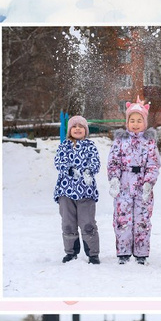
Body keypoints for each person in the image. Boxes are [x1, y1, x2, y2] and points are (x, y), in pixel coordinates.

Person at [107, 98, 161, 265]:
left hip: (142, 187)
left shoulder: (149, 143)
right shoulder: (120, 141)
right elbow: (113, 162)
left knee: (142, 219)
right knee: (123, 218)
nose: (136, 124)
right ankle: (123, 252)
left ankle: (141, 252)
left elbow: (154, 164)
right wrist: (114, 179)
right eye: (132, 120)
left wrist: (148, 182)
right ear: (127, 122)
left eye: (139, 120)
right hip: (124, 184)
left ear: (144, 123)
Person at [53, 112, 101, 264]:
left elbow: (96, 162)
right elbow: (58, 162)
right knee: (68, 223)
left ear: (86, 130)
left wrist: (88, 171)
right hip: (65, 191)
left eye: (81, 126)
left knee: (88, 223)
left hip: (86, 191)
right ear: (69, 130)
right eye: (74, 126)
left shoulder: (90, 146)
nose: (78, 129)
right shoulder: (64, 146)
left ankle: (92, 254)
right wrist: (69, 169)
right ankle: (71, 252)